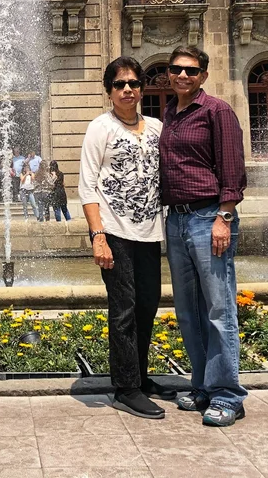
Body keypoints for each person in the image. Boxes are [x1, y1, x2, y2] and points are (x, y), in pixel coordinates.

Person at [159, 46, 248, 428]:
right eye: (177, 70)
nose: (183, 76)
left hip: (208, 216)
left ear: (203, 76)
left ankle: (228, 395)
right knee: (188, 311)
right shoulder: (170, 113)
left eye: (191, 71)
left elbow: (232, 169)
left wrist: (224, 217)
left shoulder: (217, 111)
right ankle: (203, 386)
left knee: (218, 309)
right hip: (176, 220)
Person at [79, 56, 169, 420]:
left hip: (150, 231)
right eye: (120, 84)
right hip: (114, 231)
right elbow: (87, 187)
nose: (127, 90)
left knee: (147, 305)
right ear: (109, 91)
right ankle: (126, 387)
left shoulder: (157, 128)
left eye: (133, 83)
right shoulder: (100, 128)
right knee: (124, 309)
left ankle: (141, 376)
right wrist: (97, 236)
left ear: (142, 88)